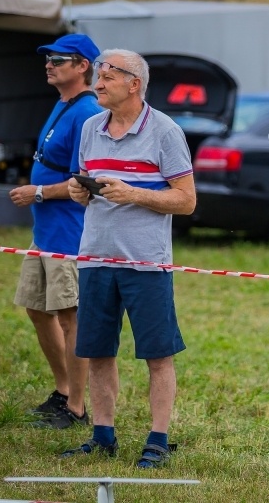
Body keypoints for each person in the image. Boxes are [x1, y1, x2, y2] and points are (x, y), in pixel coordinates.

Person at [63, 49, 196, 468]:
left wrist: (133, 193)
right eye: (98, 76)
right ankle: (103, 434)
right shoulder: (89, 127)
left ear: (134, 83)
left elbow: (187, 201)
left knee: (158, 354)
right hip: (95, 258)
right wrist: (77, 190)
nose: (97, 84)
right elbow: (80, 180)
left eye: (106, 76)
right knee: (98, 351)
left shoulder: (165, 131)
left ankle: (157, 440)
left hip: (146, 263)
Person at [9, 34, 102, 429]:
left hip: (68, 235)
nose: (49, 64)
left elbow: (89, 181)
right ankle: (63, 390)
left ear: (82, 66)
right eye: (47, 58)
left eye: (58, 59)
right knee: (36, 308)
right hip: (44, 232)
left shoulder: (87, 112)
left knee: (70, 318)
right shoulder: (63, 103)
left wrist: (40, 192)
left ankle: (77, 408)